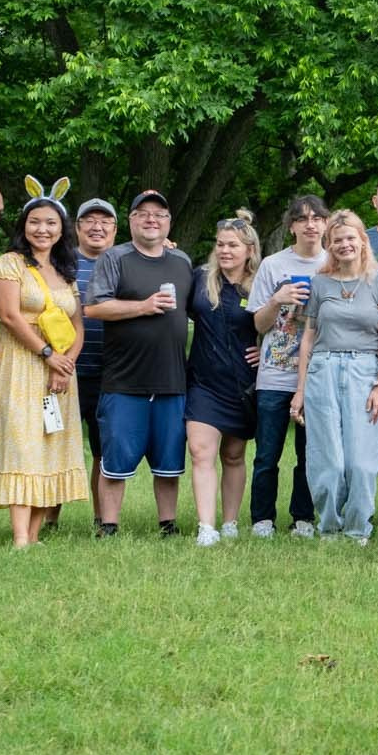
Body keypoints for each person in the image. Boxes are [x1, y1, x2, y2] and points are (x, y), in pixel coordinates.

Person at [0, 187, 89, 546]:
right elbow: (9, 316)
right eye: (35, 222)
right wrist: (46, 354)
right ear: (23, 225)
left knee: (50, 444)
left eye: (51, 223)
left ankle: (36, 534)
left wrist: (65, 362)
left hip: (59, 374)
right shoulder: (9, 263)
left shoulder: (65, 270)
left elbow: (78, 324)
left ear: (62, 228)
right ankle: (20, 536)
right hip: (21, 367)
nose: (43, 229)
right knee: (23, 445)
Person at [82, 190, 195, 535]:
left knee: (169, 463)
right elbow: (94, 308)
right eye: (143, 213)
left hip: (172, 379)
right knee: (115, 460)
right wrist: (142, 307)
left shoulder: (182, 262)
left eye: (159, 214)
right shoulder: (114, 259)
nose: (151, 219)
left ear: (168, 223)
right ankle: (109, 526)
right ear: (130, 221)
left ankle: (168, 524)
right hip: (124, 379)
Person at [293, 209, 378, 546]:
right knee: (329, 459)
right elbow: (308, 338)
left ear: (363, 241)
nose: (344, 244)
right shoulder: (320, 283)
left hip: (364, 370)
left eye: (350, 237)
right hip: (323, 369)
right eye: (337, 240)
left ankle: (357, 528)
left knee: (362, 461)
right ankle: (328, 526)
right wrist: (299, 390)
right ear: (330, 246)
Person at [247, 196, 328, 538]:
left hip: (318, 375)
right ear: (291, 226)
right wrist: (276, 300)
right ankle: (262, 518)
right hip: (275, 373)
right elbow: (259, 325)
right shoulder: (272, 264)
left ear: (326, 224)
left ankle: (303, 518)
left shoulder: (334, 262)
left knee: (309, 453)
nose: (310, 224)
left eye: (317, 218)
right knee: (267, 453)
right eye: (302, 219)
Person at [184, 213, 262, 545]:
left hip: (243, 383)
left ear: (249, 249)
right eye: (220, 244)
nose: (225, 251)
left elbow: (280, 326)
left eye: (233, 245)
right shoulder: (200, 278)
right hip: (203, 380)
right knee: (201, 452)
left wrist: (265, 350)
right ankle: (207, 527)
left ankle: (230, 521)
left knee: (233, 455)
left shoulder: (260, 282)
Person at [71, 197, 117, 499]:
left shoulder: (124, 262)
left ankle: (103, 520)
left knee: (104, 451)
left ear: (115, 229)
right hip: (64, 372)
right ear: (76, 228)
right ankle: (48, 518)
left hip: (111, 374)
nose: (97, 227)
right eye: (89, 220)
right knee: (56, 447)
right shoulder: (58, 262)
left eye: (105, 222)